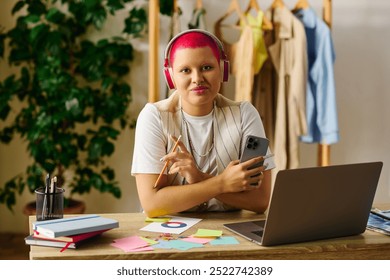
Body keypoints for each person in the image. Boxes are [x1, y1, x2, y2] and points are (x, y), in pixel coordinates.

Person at [131, 29, 275, 218]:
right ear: (170, 76)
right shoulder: (153, 117)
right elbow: (152, 203)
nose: (197, 78)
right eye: (185, 70)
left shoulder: (246, 115)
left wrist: (199, 178)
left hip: (231, 231)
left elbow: (259, 200)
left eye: (206, 67)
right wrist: (222, 183)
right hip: (168, 232)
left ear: (223, 69)